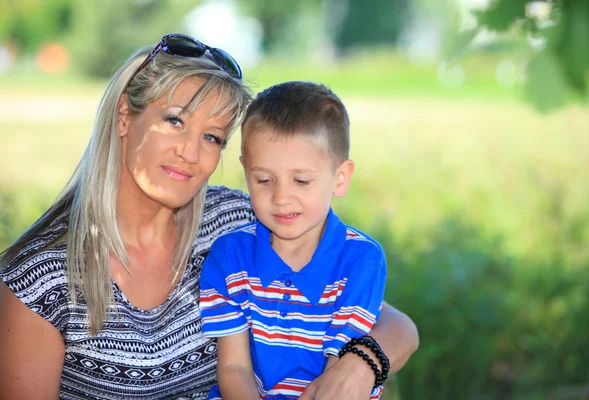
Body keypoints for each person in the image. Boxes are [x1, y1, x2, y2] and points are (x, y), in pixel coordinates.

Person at [0, 33, 418, 400]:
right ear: (126, 116)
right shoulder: (43, 278)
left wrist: (358, 366)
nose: (191, 152)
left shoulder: (238, 219)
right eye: (175, 120)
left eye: (211, 137)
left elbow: (396, 325)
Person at [199, 81, 389, 400]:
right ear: (246, 169)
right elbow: (235, 369)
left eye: (301, 181)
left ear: (340, 178)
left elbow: (337, 376)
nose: (281, 198)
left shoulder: (361, 260)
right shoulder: (229, 256)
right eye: (264, 180)